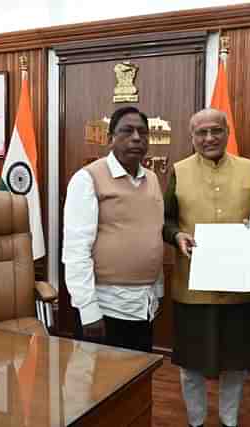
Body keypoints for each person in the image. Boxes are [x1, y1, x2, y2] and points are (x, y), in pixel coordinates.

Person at [163, 108, 250, 427]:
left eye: (216, 131)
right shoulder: (179, 171)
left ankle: (229, 420)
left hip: (240, 290)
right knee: (191, 364)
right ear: (192, 137)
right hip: (192, 288)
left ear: (226, 133)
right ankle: (195, 421)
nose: (209, 138)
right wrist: (177, 234)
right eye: (201, 133)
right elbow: (165, 221)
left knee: (236, 364)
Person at [62, 106, 164, 353]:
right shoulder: (87, 179)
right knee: (96, 386)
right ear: (110, 139)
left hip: (144, 305)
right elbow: (76, 250)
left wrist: (158, 291)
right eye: (127, 131)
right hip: (104, 307)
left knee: (136, 382)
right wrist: (88, 310)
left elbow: (153, 235)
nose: (137, 138)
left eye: (142, 132)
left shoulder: (151, 178)